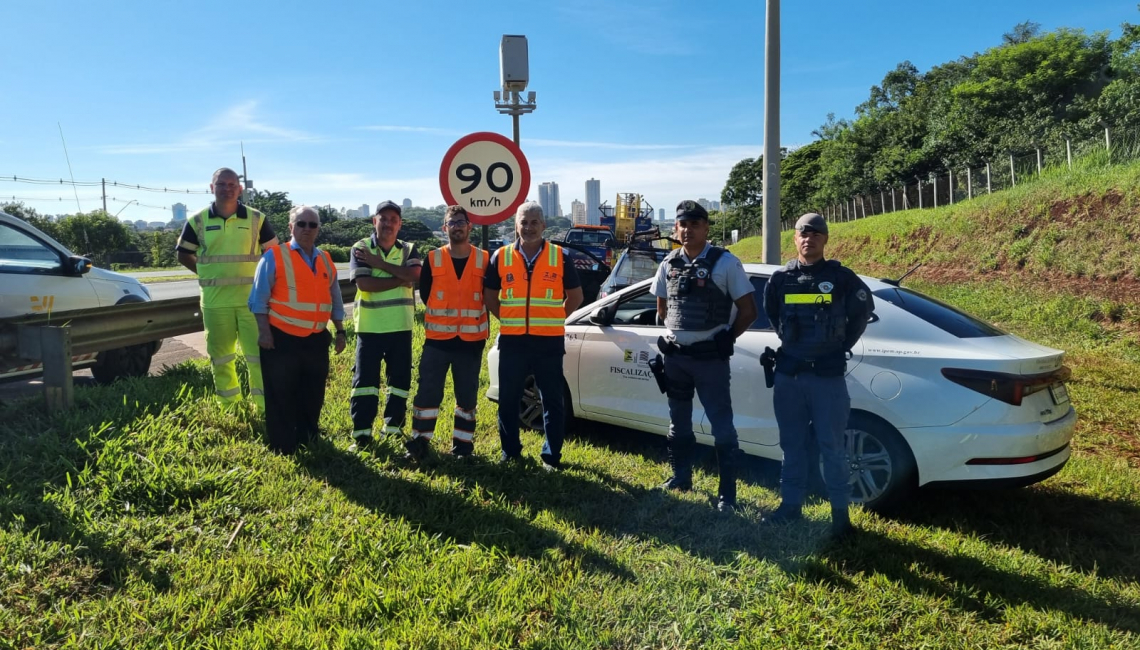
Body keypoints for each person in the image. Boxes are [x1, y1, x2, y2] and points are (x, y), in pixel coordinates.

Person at [762, 213, 875, 538]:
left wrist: (836, 347)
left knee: (832, 447)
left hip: (827, 377)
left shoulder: (842, 279)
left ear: (825, 240)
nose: (808, 239)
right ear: (794, 239)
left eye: (815, 234)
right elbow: (774, 314)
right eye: (803, 234)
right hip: (790, 376)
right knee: (792, 445)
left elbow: (860, 315)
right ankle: (790, 507)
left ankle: (840, 518)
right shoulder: (780, 279)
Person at [651, 200, 756, 512]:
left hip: (710, 360)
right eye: (683, 224)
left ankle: (727, 495)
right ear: (676, 228)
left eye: (695, 224)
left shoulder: (726, 263)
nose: (688, 230)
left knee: (722, 426)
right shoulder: (667, 263)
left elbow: (749, 310)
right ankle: (681, 477)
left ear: (707, 228)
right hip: (676, 360)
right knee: (677, 423)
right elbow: (662, 309)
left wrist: (727, 339)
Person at [484, 201, 584, 470]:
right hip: (513, 340)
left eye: (534, 222)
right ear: (516, 224)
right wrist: (506, 319)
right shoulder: (501, 256)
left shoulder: (560, 257)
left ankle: (551, 456)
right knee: (508, 399)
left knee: (552, 400)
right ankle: (510, 452)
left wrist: (554, 319)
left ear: (544, 226)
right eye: (523, 222)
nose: (528, 227)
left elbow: (575, 296)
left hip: (548, 341)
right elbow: (490, 296)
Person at [176, 168, 278, 410]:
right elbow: (183, 254)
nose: (227, 188)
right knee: (221, 359)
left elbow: (275, 254)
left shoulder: (257, 219)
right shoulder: (198, 220)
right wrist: (206, 274)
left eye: (232, 184)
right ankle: (230, 407)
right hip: (215, 303)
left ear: (240, 188)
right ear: (212, 188)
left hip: (253, 304)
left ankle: (266, 408)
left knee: (259, 358)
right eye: (221, 184)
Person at [249, 206, 346, 454]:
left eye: (312, 225)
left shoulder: (324, 259)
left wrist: (340, 330)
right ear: (291, 227)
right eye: (301, 224)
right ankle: (283, 445)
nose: (307, 229)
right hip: (281, 338)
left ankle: (309, 436)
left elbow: (334, 297)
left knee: (313, 392)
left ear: (318, 229)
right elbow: (258, 299)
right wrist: (264, 332)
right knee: (280, 393)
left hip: (316, 338)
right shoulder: (274, 256)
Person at [403, 206, 489, 461]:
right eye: (452, 223)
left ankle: (462, 448)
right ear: (445, 228)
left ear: (469, 227)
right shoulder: (433, 258)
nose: (457, 227)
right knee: (427, 393)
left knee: (466, 396)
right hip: (438, 341)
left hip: (471, 341)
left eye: (461, 222)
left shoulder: (484, 259)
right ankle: (420, 443)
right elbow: (427, 294)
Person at [348, 200, 422, 450]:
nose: (388, 223)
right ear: (374, 221)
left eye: (393, 219)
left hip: (401, 327)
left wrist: (379, 265)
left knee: (399, 383)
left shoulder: (409, 249)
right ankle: (361, 436)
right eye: (383, 218)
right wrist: (401, 277)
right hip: (370, 328)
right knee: (365, 384)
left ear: (400, 224)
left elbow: (415, 276)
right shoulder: (360, 247)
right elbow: (365, 285)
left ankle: (393, 431)